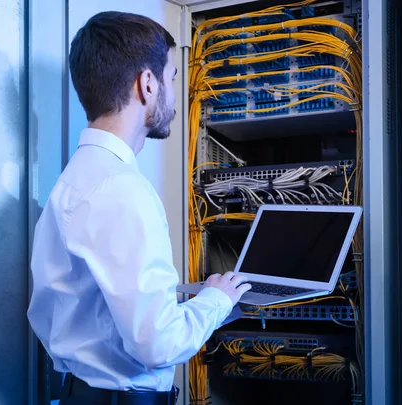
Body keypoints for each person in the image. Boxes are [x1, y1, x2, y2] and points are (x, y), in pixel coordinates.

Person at [27, 11, 252, 405]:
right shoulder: (122, 190)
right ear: (147, 84)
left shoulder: (74, 181)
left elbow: (62, 316)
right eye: (172, 77)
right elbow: (157, 344)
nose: (175, 94)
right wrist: (217, 299)